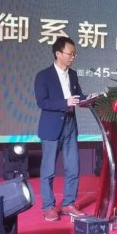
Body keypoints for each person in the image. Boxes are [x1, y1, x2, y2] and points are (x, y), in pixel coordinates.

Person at [34, 37, 88, 221]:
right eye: (70, 53)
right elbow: (42, 102)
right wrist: (65, 102)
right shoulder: (43, 76)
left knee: (73, 166)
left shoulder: (73, 75)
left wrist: (91, 98)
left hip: (70, 124)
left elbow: (78, 96)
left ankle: (68, 203)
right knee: (48, 169)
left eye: (75, 54)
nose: (73, 57)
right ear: (58, 54)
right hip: (51, 126)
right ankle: (48, 206)